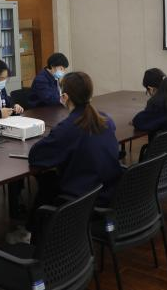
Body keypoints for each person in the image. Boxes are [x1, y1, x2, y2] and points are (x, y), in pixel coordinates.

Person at [28, 72, 123, 217]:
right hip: (110, 190)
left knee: (47, 180)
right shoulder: (106, 119)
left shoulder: (68, 128)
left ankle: (34, 228)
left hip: (85, 199)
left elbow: (36, 156)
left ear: (65, 97)